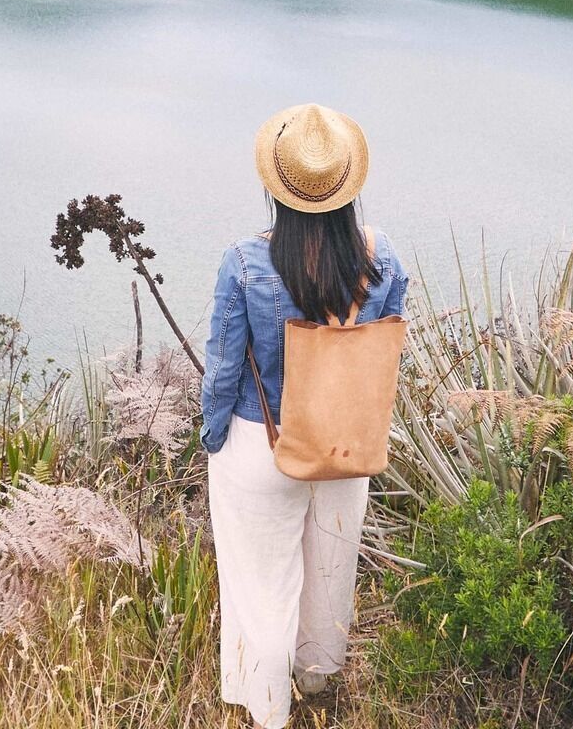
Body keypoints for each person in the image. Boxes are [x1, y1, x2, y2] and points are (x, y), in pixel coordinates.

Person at [201, 102, 410, 729]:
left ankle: (269, 713)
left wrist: (215, 439)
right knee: (329, 572)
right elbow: (385, 351)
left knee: (261, 592)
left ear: (277, 187)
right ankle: (318, 686)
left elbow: (222, 368)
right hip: (348, 445)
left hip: (262, 440)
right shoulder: (382, 257)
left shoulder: (243, 262)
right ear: (346, 186)